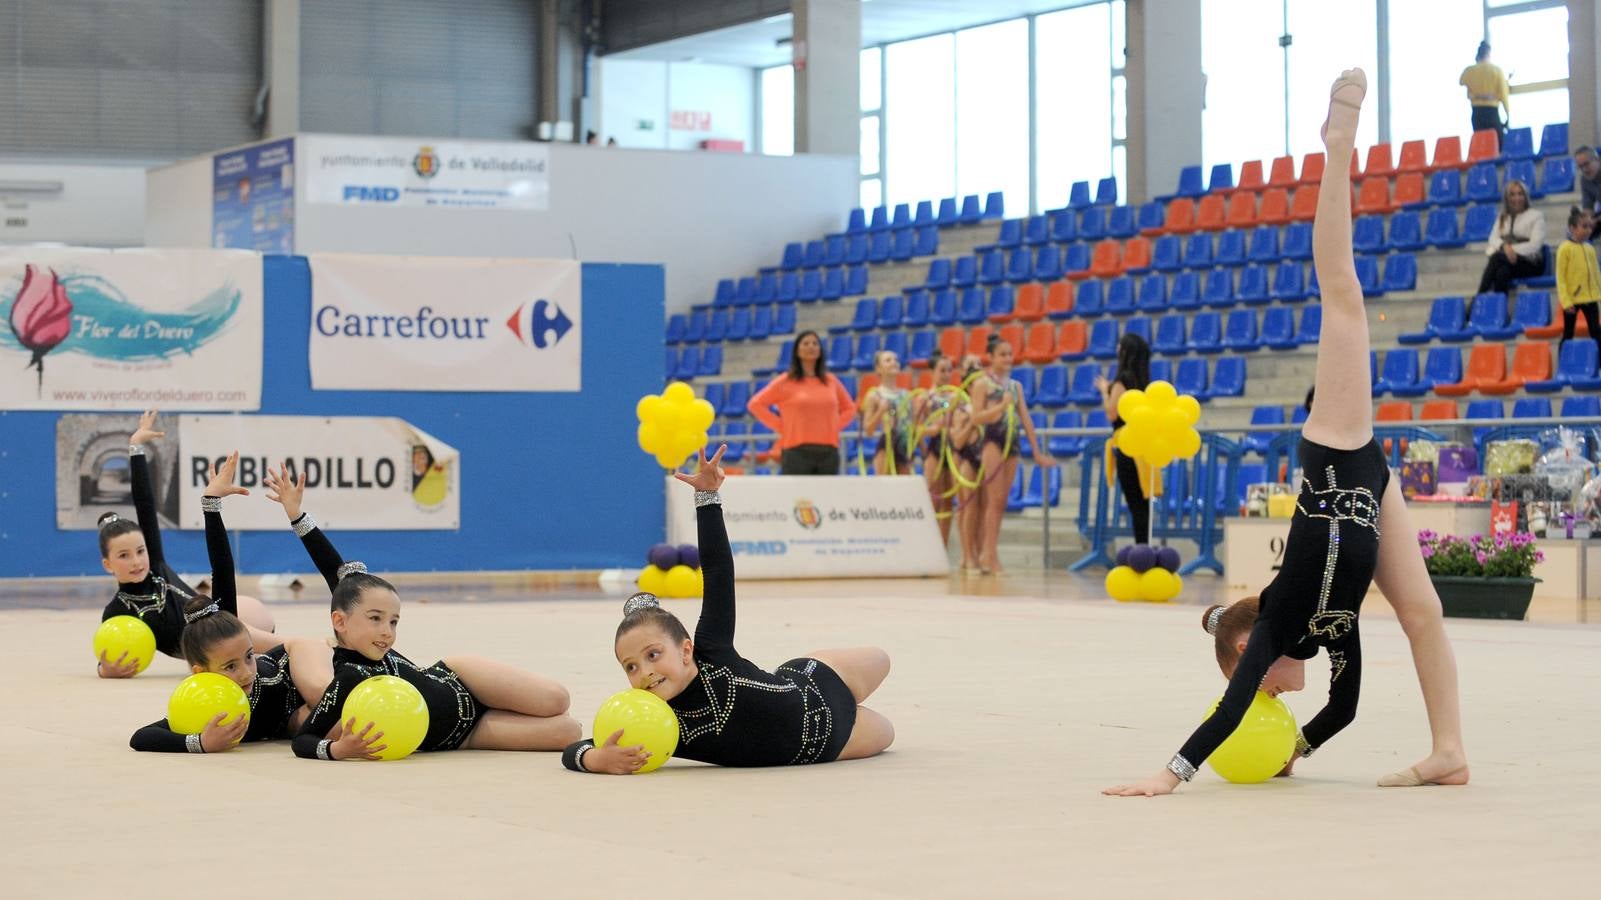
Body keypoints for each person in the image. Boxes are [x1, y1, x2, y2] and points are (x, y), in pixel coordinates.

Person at [1105, 68, 1468, 796]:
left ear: (1248, 650)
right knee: (1422, 612)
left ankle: (1337, 146)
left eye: (1266, 685)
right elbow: (1344, 705)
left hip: (1336, 446)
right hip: (1374, 482)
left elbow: (1228, 706)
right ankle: (1448, 752)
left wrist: (1168, 776)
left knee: (1342, 294)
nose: (1274, 693)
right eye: (1275, 697)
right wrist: (1294, 749)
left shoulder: (1272, 625)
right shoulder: (1330, 633)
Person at [561, 445, 894, 773]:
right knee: (889, 733)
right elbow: (580, 747)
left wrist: (707, 498)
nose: (644, 672)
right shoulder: (657, 721)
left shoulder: (713, 651)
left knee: (881, 658)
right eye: (630, 667)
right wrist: (595, 759)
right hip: (829, 742)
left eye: (652, 655)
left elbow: (719, 573)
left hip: (813, 680)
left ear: (686, 649)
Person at [262, 465, 580, 760]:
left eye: (393, 621)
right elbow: (303, 740)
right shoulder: (345, 679)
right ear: (340, 621)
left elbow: (341, 578)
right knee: (569, 732)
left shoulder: (370, 641)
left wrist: (298, 517)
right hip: (465, 736)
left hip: (461, 679)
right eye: (375, 619)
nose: (387, 631)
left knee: (557, 700)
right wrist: (337, 750)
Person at [128, 453, 332, 752]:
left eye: (248, 657)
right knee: (306, 726)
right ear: (201, 673)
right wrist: (199, 742)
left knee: (321, 702)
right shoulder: (201, 699)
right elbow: (141, 737)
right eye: (231, 666)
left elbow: (222, 571)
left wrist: (211, 504)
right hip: (289, 720)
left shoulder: (248, 659)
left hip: (301, 662)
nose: (247, 672)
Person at [95, 410, 278, 678]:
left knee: (247, 615)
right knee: (251, 642)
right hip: (207, 645)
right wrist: (104, 669)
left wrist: (136, 447)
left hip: (225, 617)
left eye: (139, 551)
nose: (136, 561)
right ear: (107, 564)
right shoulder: (117, 610)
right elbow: (107, 652)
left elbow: (145, 505)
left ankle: (282, 647)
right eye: (123, 556)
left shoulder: (155, 565)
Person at [967, 340, 1053, 575]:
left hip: (1011, 442)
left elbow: (1026, 419)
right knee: (993, 501)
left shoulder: (1015, 386)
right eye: (1002, 355)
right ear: (991, 357)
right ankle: (989, 556)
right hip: (993, 441)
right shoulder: (982, 384)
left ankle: (989, 553)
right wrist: (1000, 408)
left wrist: (1036, 451)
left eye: (1009, 354)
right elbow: (975, 418)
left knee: (1002, 502)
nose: (1007, 359)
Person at [746, 331, 857, 475]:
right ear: (797, 351)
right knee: (797, 497)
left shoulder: (831, 381)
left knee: (826, 497)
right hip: (796, 451)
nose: (811, 346)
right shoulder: (785, 381)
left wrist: (835, 425)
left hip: (828, 451)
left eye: (815, 343)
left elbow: (849, 408)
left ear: (820, 350)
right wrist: (782, 426)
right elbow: (755, 404)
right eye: (806, 343)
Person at [1096, 333, 1154, 544]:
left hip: (1127, 444)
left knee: (1135, 503)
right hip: (1143, 446)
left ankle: (1142, 548)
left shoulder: (1123, 380)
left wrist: (1105, 391)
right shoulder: (1144, 381)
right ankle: (1145, 545)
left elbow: (1112, 413)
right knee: (1143, 502)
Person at [1477, 179, 1545, 295]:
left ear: (1525, 196)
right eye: (1512, 195)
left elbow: (1535, 245)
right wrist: (1505, 247)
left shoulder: (1537, 216)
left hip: (1530, 262)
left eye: (1520, 194)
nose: (1517, 198)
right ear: (1507, 198)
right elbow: (1492, 238)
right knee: (1502, 272)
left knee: (1497, 257)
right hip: (1508, 262)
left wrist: (1510, 250)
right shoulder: (1502, 217)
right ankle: (1500, 310)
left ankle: (1479, 297)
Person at [860, 350, 916, 475]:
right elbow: (868, 431)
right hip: (886, 446)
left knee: (904, 490)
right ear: (878, 368)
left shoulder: (906, 395)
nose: (894, 363)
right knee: (885, 489)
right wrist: (880, 411)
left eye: (895, 360)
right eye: (888, 360)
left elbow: (913, 425)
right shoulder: (874, 395)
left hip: (904, 446)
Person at [1557, 207, 1601, 349]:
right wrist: (1566, 301)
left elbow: (1596, 274)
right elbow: (1561, 277)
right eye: (1584, 226)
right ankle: (1562, 363)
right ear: (1572, 228)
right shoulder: (1565, 249)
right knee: (1568, 333)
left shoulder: (1590, 249)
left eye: (1590, 227)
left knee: (1596, 332)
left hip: (1590, 298)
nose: (1588, 230)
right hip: (1572, 301)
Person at [1459, 41, 1509, 147]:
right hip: (1492, 112)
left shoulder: (1469, 71)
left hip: (1476, 113)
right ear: (1489, 54)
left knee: (1482, 146)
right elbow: (1504, 96)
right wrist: (1508, 114)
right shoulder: (1496, 71)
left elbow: (1461, 81)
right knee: (1498, 145)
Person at [1575, 147, 1600, 241]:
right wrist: (1587, 221)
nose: (1584, 169)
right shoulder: (1585, 179)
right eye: (1580, 167)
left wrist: (1596, 220)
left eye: (1586, 164)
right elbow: (1588, 208)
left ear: (1597, 160)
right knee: (1577, 229)